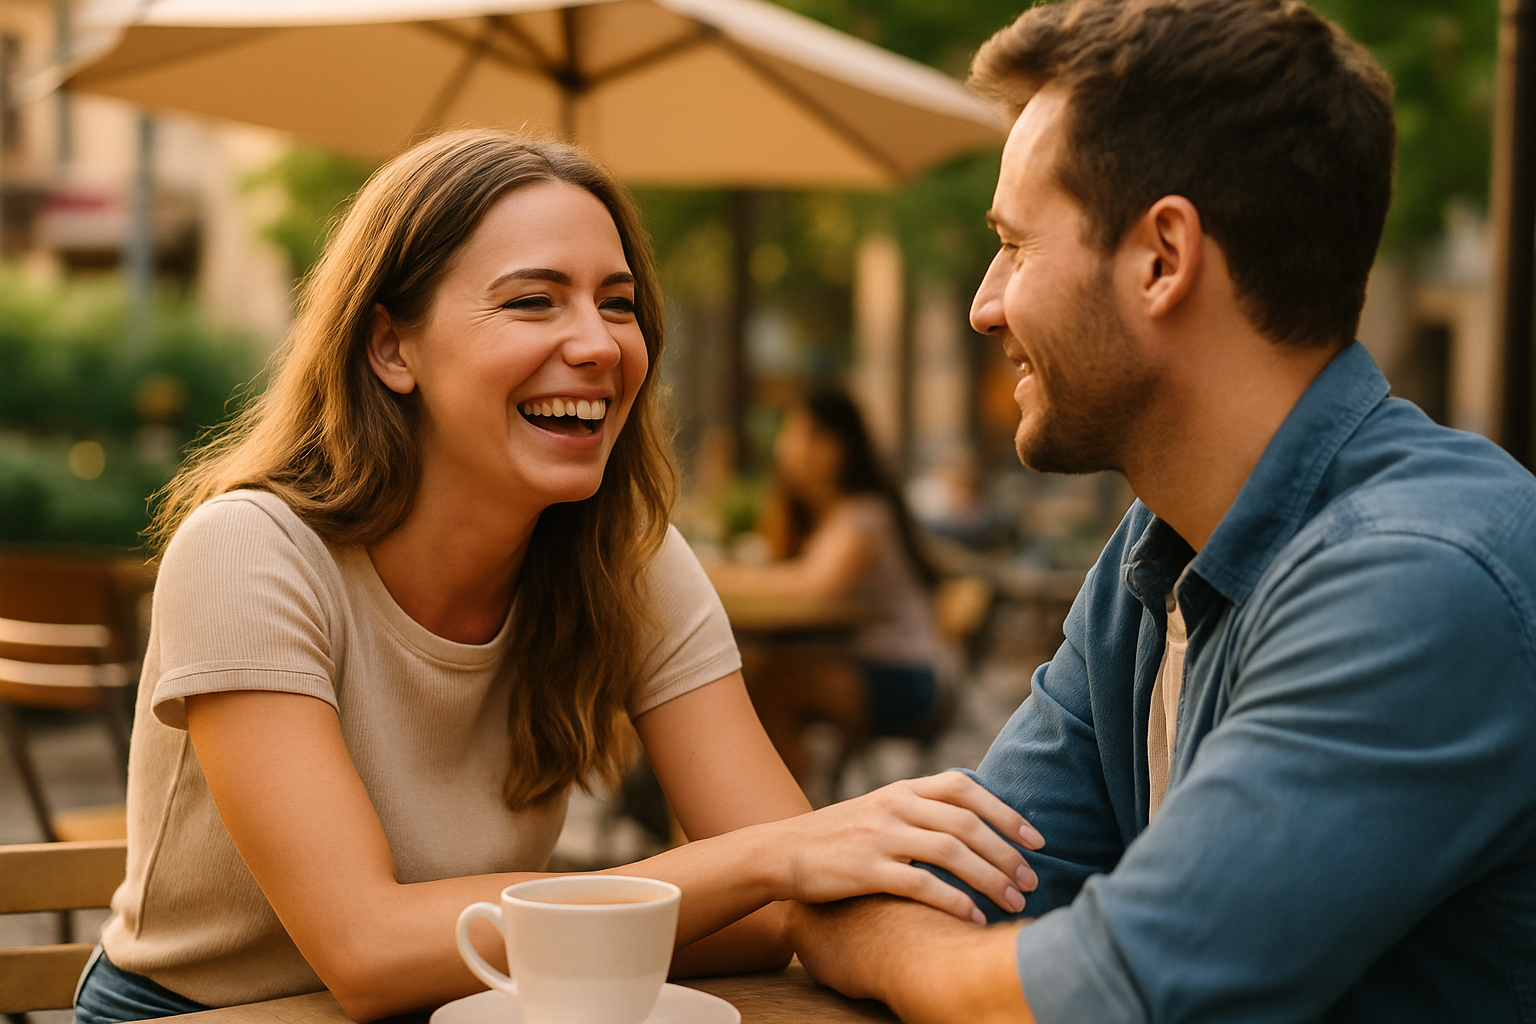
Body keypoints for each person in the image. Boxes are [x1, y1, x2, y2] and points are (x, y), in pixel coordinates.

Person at [73, 131, 1048, 1024]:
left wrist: (784, 880)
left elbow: (787, 902)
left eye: (616, 302)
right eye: (534, 300)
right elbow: (365, 949)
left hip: (471, 1002)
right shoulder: (250, 551)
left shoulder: (626, 558)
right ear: (390, 346)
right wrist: (766, 861)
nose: (598, 343)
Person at [789, 2, 1536, 1022]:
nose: (984, 302)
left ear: (1162, 258)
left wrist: (887, 946)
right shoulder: (1157, 549)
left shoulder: (1424, 578)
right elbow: (950, 883)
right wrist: (899, 931)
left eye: (1014, 245)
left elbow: (1116, 992)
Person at [711, 387, 945, 783]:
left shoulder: (865, 518)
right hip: (859, 664)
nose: (790, 449)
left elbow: (811, 587)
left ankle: (783, 815)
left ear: (840, 446)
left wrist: (706, 574)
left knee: (767, 682)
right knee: (750, 672)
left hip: (904, 677)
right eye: (790, 436)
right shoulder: (823, 517)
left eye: (805, 435)